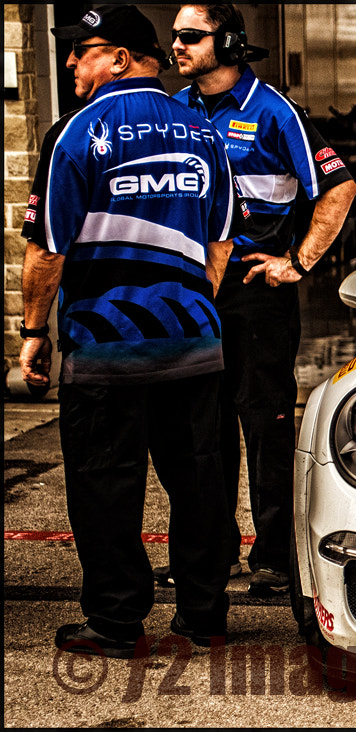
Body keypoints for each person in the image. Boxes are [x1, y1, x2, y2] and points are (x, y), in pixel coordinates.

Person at [20, 5, 236, 658]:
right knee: (201, 481)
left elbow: (47, 253)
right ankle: (203, 616)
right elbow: (221, 240)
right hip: (194, 346)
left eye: (80, 51)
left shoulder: (76, 132)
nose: (69, 63)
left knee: (106, 485)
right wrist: (191, 309)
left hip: (105, 348)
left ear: (118, 58)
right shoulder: (204, 132)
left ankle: (116, 623)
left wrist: (34, 331)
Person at [156, 4, 356, 597]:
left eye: (191, 37)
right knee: (203, 428)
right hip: (198, 294)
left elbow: (339, 187)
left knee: (264, 425)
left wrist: (295, 263)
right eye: (174, 37)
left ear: (231, 42)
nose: (178, 46)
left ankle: (273, 556)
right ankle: (210, 557)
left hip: (255, 294)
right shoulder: (181, 109)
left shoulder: (273, 110)